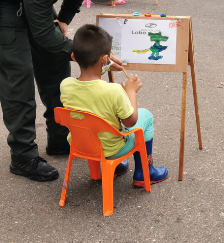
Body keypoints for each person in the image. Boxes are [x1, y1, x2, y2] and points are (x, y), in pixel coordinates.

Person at [0, 0, 130, 181]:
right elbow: (42, 35)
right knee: (19, 76)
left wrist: (63, 19)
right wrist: (91, 57)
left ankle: (61, 139)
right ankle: (23, 157)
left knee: (56, 62)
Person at [60, 24, 169, 186]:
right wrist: (131, 92)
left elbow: (90, 100)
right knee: (146, 115)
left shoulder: (65, 85)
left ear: (74, 57)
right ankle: (144, 172)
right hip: (112, 149)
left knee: (99, 118)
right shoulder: (114, 90)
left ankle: (110, 169)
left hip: (80, 144)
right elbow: (130, 122)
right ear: (105, 59)